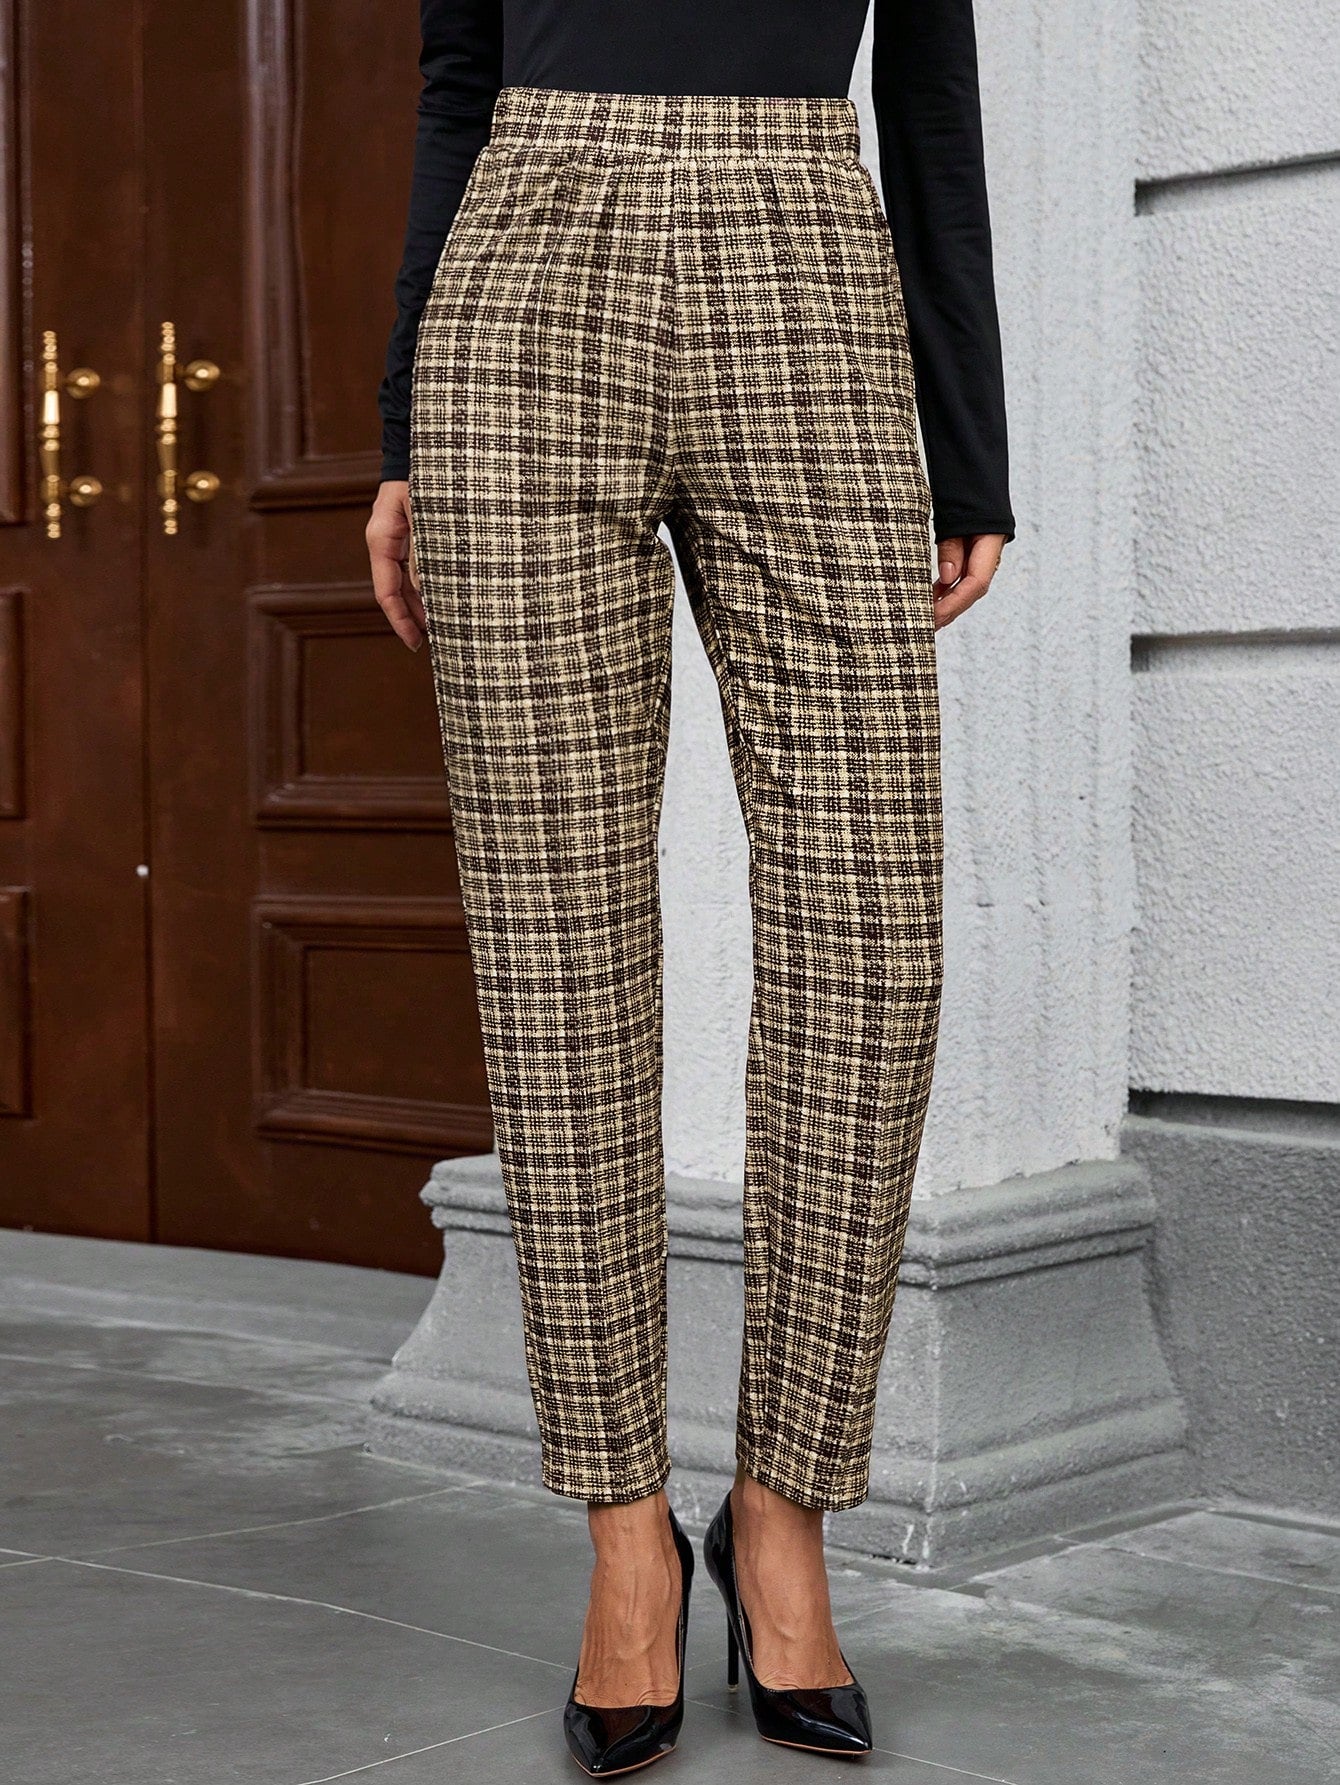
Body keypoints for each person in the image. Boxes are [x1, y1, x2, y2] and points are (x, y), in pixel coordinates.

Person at [366, 2, 1013, 1773]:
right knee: (559, 948)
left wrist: (966, 434)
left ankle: (784, 1511)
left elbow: (932, 97)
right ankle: (626, 1538)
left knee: (871, 934)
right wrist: (408, 426)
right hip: (523, 281)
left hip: (809, 265)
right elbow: (459, 79)